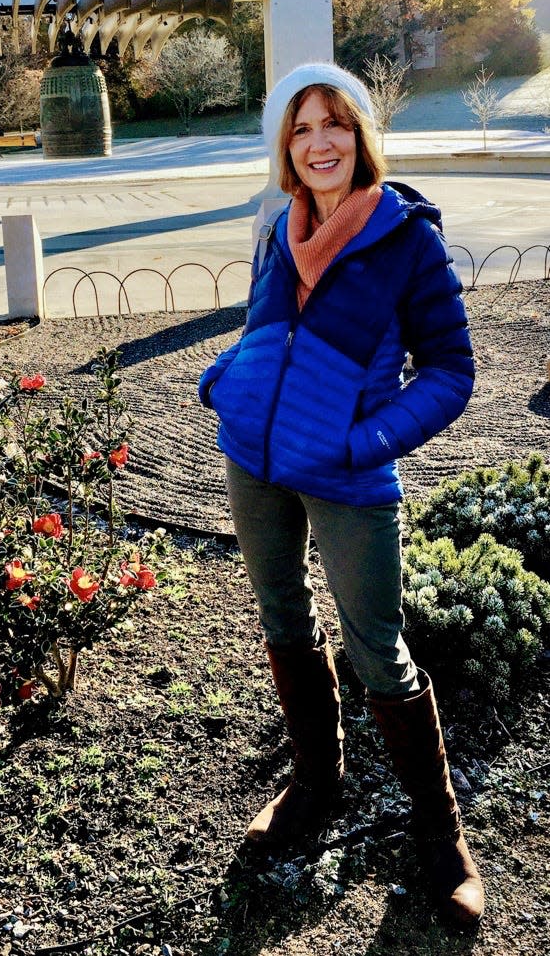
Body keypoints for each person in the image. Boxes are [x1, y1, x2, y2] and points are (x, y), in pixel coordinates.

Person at [198, 62, 483, 926]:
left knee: (378, 648)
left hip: (350, 474)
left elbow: (450, 371)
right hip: (253, 460)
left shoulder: (406, 240)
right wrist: (228, 379)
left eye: (335, 124)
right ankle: (317, 784)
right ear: (284, 145)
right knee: (283, 618)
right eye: (300, 128)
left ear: (362, 135)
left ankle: (441, 836)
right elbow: (259, 327)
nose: (318, 142)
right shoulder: (277, 226)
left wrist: (366, 442)